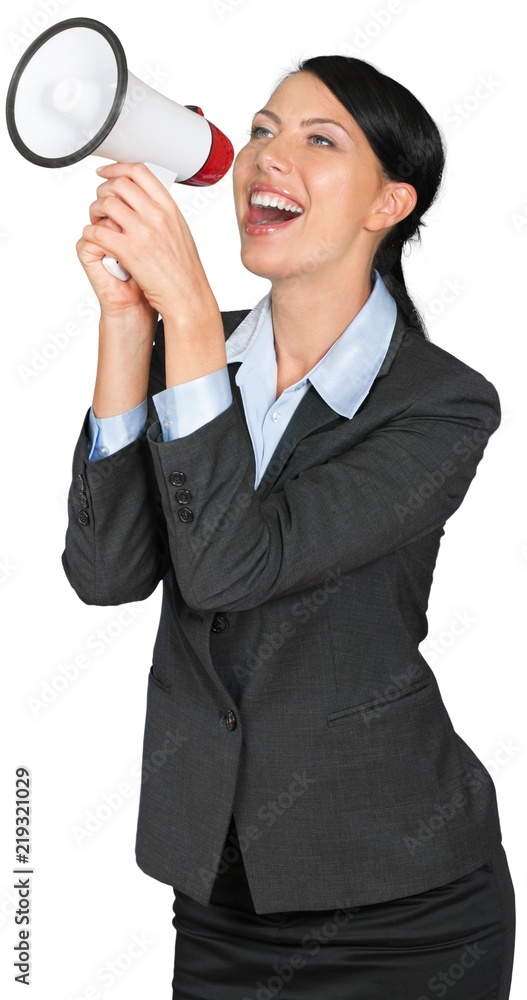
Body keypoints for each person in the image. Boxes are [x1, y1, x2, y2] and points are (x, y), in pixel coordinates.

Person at [62, 55, 515, 999]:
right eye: (262, 131)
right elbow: (107, 574)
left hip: (399, 905)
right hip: (218, 893)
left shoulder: (440, 405)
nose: (270, 155)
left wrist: (187, 312)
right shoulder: (186, 350)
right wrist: (128, 324)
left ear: (388, 203)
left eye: (319, 140)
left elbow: (231, 569)